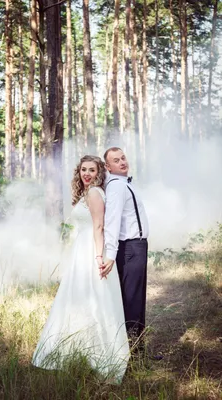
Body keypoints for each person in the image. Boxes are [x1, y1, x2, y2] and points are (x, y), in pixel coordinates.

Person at [32, 155, 130, 382]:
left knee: (96, 298)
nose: (87, 174)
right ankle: (79, 351)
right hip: (82, 250)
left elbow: (99, 226)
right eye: (83, 169)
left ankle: (103, 355)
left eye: (92, 170)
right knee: (80, 298)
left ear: (99, 173)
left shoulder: (95, 193)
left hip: (92, 251)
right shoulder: (87, 193)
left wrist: (98, 256)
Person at [101, 147, 149, 352]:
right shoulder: (116, 187)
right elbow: (111, 222)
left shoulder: (124, 184)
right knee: (131, 301)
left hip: (137, 247)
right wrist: (110, 255)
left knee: (137, 300)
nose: (122, 162)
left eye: (123, 158)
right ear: (107, 166)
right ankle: (133, 354)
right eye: (115, 160)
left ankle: (139, 350)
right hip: (130, 248)